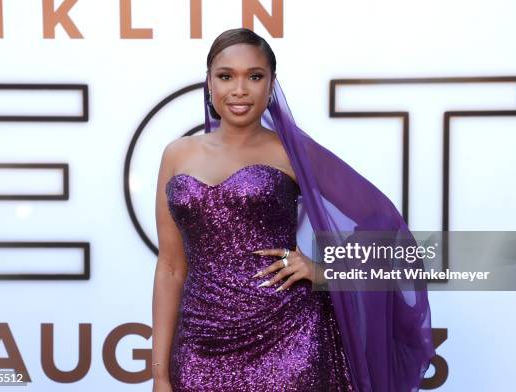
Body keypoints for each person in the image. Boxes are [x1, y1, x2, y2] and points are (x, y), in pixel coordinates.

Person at [152, 28, 435, 392]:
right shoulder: (177, 155)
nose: (239, 89)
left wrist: (323, 272)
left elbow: (381, 224)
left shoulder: (291, 152)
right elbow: (171, 268)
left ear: (271, 85)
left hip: (288, 340)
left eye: (254, 76)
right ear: (209, 83)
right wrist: (160, 375)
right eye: (226, 76)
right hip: (199, 346)